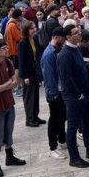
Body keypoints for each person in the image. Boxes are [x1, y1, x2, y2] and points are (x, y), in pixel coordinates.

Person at [57, 24, 89, 167]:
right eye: (75, 33)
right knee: (73, 126)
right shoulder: (64, 54)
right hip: (74, 96)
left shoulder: (75, 49)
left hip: (83, 92)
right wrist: (78, 95)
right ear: (68, 37)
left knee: (87, 120)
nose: (79, 34)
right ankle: (74, 157)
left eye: (79, 31)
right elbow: (66, 79)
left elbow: (80, 66)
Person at [0, 40, 27, 177]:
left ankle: (10, 157)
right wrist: (9, 83)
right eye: (3, 48)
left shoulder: (8, 62)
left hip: (9, 103)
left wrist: (8, 84)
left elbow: (15, 83)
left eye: (6, 47)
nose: (7, 50)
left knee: (9, 131)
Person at [40, 26, 67, 159]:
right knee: (54, 119)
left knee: (62, 117)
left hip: (61, 90)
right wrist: (54, 93)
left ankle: (62, 140)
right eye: (62, 38)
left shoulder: (58, 50)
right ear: (56, 37)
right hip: (54, 92)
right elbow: (49, 76)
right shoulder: (49, 54)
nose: (64, 40)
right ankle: (53, 147)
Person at [17, 20, 45, 127]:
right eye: (32, 28)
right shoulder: (23, 43)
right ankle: (29, 119)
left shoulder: (34, 39)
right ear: (26, 30)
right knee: (29, 96)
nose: (34, 30)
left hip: (34, 71)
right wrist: (25, 76)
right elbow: (22, 61)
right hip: (28, 73)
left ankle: (35, 116)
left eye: (34, 28)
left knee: (36, 95)